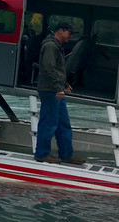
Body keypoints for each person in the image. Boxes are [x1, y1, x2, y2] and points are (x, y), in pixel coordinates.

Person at [34, 21, 85, 165]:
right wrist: (58, 87)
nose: (70, 37)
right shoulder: (50, 46)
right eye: (69, 33)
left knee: (63, 123)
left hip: (56, 88)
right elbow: (49, 69)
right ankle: (42, 153)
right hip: (51, 90)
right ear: (61, 31)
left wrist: (64, 84)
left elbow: (56, 70)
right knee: (49, 123)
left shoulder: (57, 46)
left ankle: (66, 154)